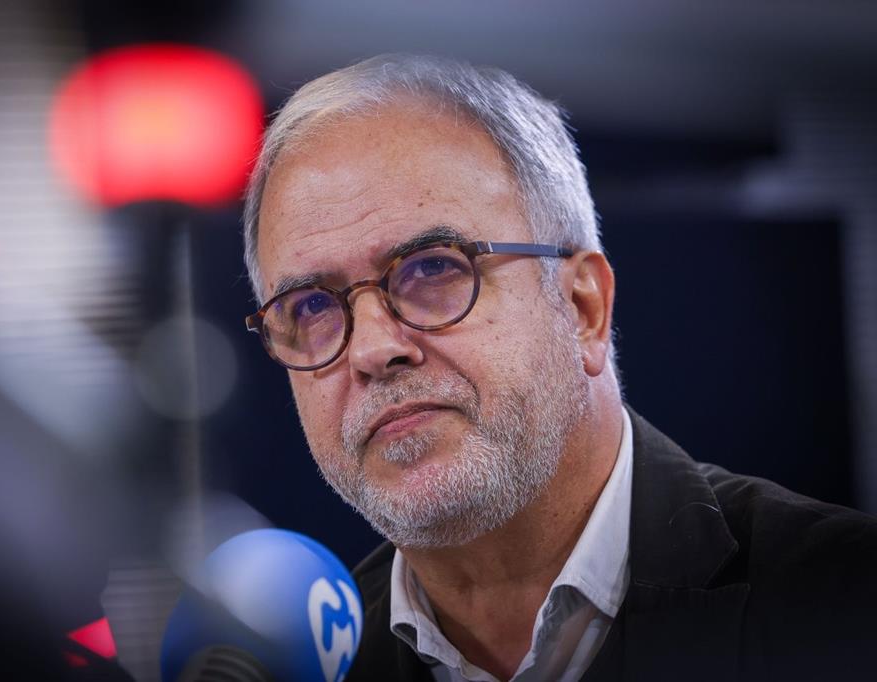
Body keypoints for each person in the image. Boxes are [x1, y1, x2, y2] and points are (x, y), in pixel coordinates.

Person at [240, 54, 877, 681]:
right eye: (311, 305)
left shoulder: (848, 600)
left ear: (582, 308)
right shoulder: (302, 669)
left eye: (432, 268)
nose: (373, 350)